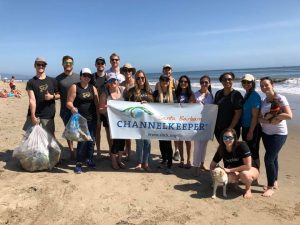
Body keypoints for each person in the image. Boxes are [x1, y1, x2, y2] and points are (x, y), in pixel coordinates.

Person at [258, 76, 292, 197]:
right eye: (262, 85)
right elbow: (259, 118)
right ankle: (275, 181)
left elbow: (289, 116)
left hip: (279, 134)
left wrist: (276, 117)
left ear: (272, 85)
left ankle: (270, 187)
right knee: (274, 158)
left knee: (268, 159)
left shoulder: (280, 98)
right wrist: (269, 121)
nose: (264, 87)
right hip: (266, 134)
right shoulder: (263, 101)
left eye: (266, 84)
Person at [66, 68, 100, 174]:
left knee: (91, 141)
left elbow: (97, 104)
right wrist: (72, 108)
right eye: (84, 75)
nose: (86, 77)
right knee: (82, 142)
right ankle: (79, 163)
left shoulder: (92, 88)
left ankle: (89, 159)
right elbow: (68, 102)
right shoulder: (75, 87)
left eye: (89, 75)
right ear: (80, 76)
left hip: (92, 119)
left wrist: (98, 119)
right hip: (80, 120)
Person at [210, 128, 260, 199]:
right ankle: (234, 182)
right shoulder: (221, 149)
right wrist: (214, 178)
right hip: (235, 171)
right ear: (222, 138)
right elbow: (212, 166)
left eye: (230, 137)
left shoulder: (242, 145)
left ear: (234, 138)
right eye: (225, 137)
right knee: (227, 177)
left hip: (251, 169)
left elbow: (248, 166)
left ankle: (248, 189)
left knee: (245, 174)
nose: (227, 140)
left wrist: (230, 170)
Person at [23, 57, 59, 135]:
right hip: (34, 114)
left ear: (45, 66)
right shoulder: (31, 82)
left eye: (43, 65)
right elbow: (32, 100)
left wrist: (51, 97)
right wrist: (33, 116)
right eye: (38, 64)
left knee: (50, 137)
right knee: (30, 137)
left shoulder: (52, 80)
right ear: (34, 65)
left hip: (48, 114)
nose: (41, 66)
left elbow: (59, 95)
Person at [126, 70, 153, 171]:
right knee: (139, 143)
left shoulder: (150, 91)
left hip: (148, 122)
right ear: (136, 79)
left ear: (145, 79)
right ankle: (139, 162)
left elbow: (155, 106)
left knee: (148, 143)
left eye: (142, 78)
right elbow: (127, 106)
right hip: (136, 122)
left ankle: (146, 163)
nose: (140, 80)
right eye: (138, 78)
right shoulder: (131, 91)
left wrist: (148, 105)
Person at [99, 73, 126, 170]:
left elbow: (130, 103)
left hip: (123, 121)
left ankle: (119, 160)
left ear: (118, 81)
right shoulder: (105, 93)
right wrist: (106, 108)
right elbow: (100, 109)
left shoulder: (123, 90)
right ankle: (113, 161)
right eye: (110, 80)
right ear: (108, 83)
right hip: (111, 122)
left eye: (115, 80)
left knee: (122, 141)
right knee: (115, 142)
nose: (113, 82)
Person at [56, 55, 80, 160]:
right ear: (62, 64)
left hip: (78, 109)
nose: (68, 65)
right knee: (69, 131)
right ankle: (71, 151)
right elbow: (56, 94)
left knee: (79, 130)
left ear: (73, 65)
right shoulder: (58, 79)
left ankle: (79, 151)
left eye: (70, 63)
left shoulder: (78, 77)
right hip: (65, 110)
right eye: (66, 63)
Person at [153, 74, 177, 174]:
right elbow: (151, 104)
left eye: (167, 81)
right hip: (158, 122)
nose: (165, 82)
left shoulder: (173, 93)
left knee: (168, 143)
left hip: (169, 122)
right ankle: (163, 160)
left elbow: (177, 107)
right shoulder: (156, 93)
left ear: (169, 82)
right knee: (161, 142)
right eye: (163, 80)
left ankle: (170, 164)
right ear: (160, 82)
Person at [90, 57, 112, 158]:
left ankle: (111, 151)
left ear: (105, 65)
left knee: (108, 130)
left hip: (107, 108)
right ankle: (98, 151)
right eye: (98, 63)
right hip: (95, 108)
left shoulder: (108, 77)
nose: (100, 65)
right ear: (95, 65)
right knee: (97, 130)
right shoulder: (92, 77)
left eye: (102, 63)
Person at [214, 72, 243, 143]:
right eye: (224, 79)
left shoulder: (236, 95)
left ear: (233, 81)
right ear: (221, 81)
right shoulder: (218, 93)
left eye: (229, 79)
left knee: (231, 150)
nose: (227, 81)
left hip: (232, 130)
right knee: (222, 149)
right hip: (218, 129)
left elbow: (238, 113)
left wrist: (229, 129)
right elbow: (215, 109)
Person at [193, 75, 214, 175]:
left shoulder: (211, 95)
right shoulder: (195, 94)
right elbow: (188, 108)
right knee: (197, 146)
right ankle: (196, 167)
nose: (204, 84)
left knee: (204, 146)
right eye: (202, 82)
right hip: (197, 124)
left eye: (206, 82)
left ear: (209, 83)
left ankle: (202, 164)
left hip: (207, 124)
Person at [240, 74, 262, 169]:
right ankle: (251, 172)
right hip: (246, 127)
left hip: (253, 128)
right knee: (248, 151)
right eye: (244, 82)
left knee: (254, 152)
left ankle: (255, 175)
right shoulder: (247, 93)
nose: (246, 84)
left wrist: (251, 131)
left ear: (253, 83)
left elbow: (255, 116)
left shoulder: (254, 96)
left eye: (248, 82)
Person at [175, 75, 195, 169]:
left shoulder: (191, 94)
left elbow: (193, 107)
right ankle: (182, 159)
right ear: (179, 83)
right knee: (179, 141)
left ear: (188, 83)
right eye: (182, 81)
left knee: (188, 141)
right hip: (177, 120)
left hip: (187, 121)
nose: (183, 83)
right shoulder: (175, 93)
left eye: (185, 82)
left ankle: (188, 160)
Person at [120, 63, 137, 161]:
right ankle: (128, 153)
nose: (127, 72)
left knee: (134, 133)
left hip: (134, 111)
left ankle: (130, 152)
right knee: (127, 134)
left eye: (129, 70)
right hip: (124, 111)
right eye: (125, 70)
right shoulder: (121, 84)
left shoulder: (136, 83)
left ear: (132, 72)